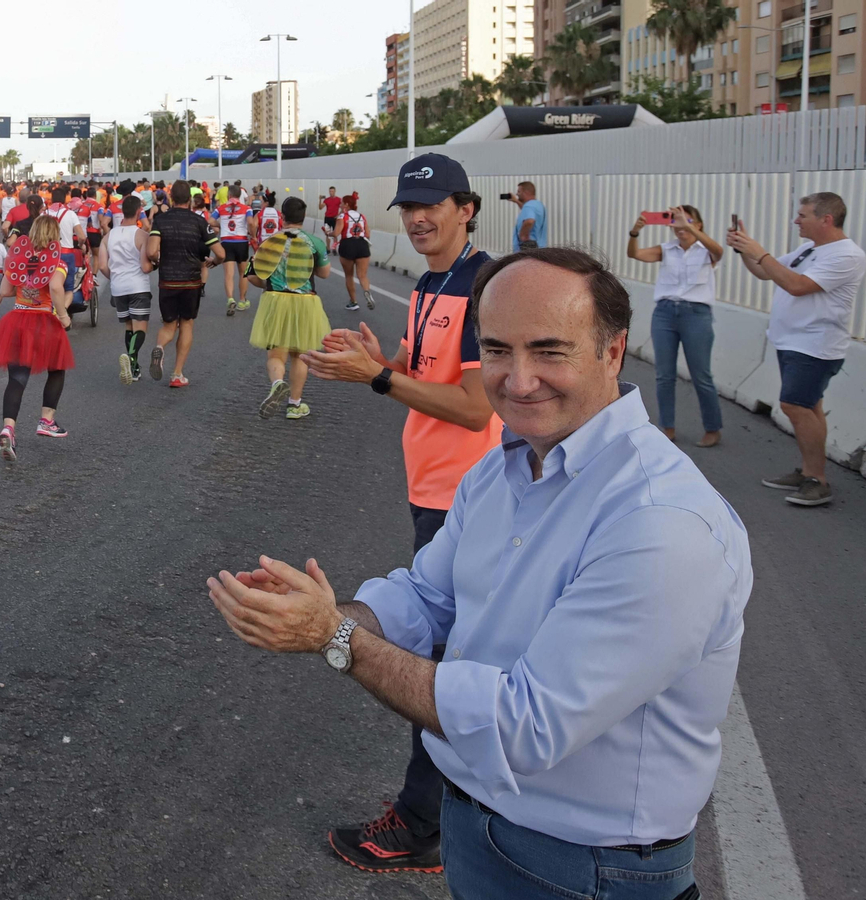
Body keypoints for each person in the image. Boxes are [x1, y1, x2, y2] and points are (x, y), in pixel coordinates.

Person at [209, 245, 752, 899]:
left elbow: (524, 728)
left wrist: (336, 638)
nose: (518, 381)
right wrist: (322, 611)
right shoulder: (502, 469)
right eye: (496, 350)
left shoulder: (660, 521)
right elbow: (427, 596)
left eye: (550, 351)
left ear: (612, 352)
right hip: (477, 828)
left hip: (590, 869)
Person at [300, 156, 496, 872]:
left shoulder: (480, 286)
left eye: (433, 204)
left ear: (466, 208)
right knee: (450, 656)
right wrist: (379, 358)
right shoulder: (431, 282)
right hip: (432, 492)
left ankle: (423, 825)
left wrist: (379, 378)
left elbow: (478, 409)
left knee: (442, 667)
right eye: (409, 205)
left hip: (464, 499)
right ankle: (445, 818)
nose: (417, 217)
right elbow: (422, 374)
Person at [728, 192, 866, 507]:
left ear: (826, 219)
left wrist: (759, 252)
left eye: (802, 215)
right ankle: (809, 472)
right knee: (809, 407)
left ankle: (817, 479)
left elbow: (798, 286)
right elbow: (769, 273)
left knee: (795, 406)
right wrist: (745, 250)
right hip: (793, 341)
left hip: (815, 345)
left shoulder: (846, 255)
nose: (796, 221)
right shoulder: (810, 249)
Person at [0, 214, 77, 461]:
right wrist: (64, 317)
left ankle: (8, 428)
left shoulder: (19, 259)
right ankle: (47, 420)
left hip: (18, 319)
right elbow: (56, 287)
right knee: (57, 368)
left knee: (17, 378)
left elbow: (4, 290)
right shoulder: (58, 261)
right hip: (43, 320)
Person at [628, 205, 724, 448]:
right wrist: (635, 232)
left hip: (696, 314)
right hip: (665, 313)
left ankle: (712, 428)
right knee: (664, 375)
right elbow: (635, 254)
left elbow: (719, 251)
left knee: (701, 375)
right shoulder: (667, 249)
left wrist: (688, 226)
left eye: (687, 220)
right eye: (675, 220)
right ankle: (667, 427)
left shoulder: (706, 251)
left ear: (698, 224)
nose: (680, 225)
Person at [245, 197, 330, 420]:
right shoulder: (315, 242)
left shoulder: (268, 242)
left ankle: (277, 383)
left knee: (276, 354)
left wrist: (271, 282)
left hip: (275, 300)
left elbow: (251, 276)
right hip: (305, 302)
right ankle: (294, 405)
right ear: (304, 217)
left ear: (282, 216)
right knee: (300, 355)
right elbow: (324, 273)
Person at [147, 181, 224, 388]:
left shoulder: (160, 220)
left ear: (171, 199)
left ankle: (160, 348)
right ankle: (177, 374)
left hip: (168, 281)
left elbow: (152, 251)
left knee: (169, 325)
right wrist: (213, 262)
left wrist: (158, 261)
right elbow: (221, 253)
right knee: (187, 324)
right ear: (189, 200)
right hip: (190, 281)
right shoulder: (198, 222)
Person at [102, 194, 155, 384]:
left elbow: (101, 265)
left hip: (118, 287)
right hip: (138, 285)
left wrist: (114, 277)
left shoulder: (108, 236)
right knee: (140, 327)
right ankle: (131, 359)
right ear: (139, 212)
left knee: (129, 327)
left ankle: (134, 368)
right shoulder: (142, 235)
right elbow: (146, 267)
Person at [212, 186, 253, 315]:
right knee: (243, 273)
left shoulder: (221, 208)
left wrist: (222, 225)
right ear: (240, 195)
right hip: (241, 242)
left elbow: (209, 220)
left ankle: (230, 298)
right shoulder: (247, 209)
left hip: (226, 242)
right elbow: (251, 223)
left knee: (229, 274)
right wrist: (252, 233)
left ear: (229, 195)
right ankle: (242, 300)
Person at [336, 195, 374, 311]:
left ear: (347, 204)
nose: (340, 205)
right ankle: (367, 291)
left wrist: (329, 233)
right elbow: (367, 234)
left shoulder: (343, 216)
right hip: (362, 245)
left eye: (342, 203)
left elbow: (336, 232)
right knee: (362, 275)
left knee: (349, 275)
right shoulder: (362, 216)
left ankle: (353, 301)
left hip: (347, 245)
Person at [506, 181, 547, 251]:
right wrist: (516, 201)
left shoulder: (528, 207)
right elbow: (527, 211)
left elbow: (529, 221)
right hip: (538, 248)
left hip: (527, 249)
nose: (516, 194)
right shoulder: (537, 204)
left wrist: (523, 236)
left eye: (519, 191)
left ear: (526, 192)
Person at [321, 187, 343, 252]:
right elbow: (320, 207)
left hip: (334, 218)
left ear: (335, 191)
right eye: (330, 191)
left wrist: (338, 215)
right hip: (327, 218)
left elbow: (342, 208)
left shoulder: (338, 199)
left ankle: (334, 248)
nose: (331, 193)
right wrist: (320, 200)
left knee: (335, 234)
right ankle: (328, 248)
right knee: (327, 233)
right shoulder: (327, 200)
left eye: (332, 191)